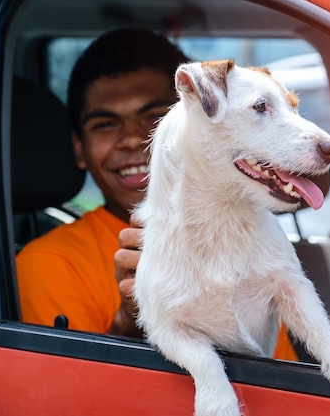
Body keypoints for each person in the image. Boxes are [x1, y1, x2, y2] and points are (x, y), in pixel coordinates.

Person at [15, 27, 298, 360]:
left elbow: (276, 375)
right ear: (79, 148)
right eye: (105, 124)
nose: (133, 140)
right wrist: (134, 318)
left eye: (154, 117)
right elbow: (68, 394)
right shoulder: (50, 263)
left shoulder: (250, 233)